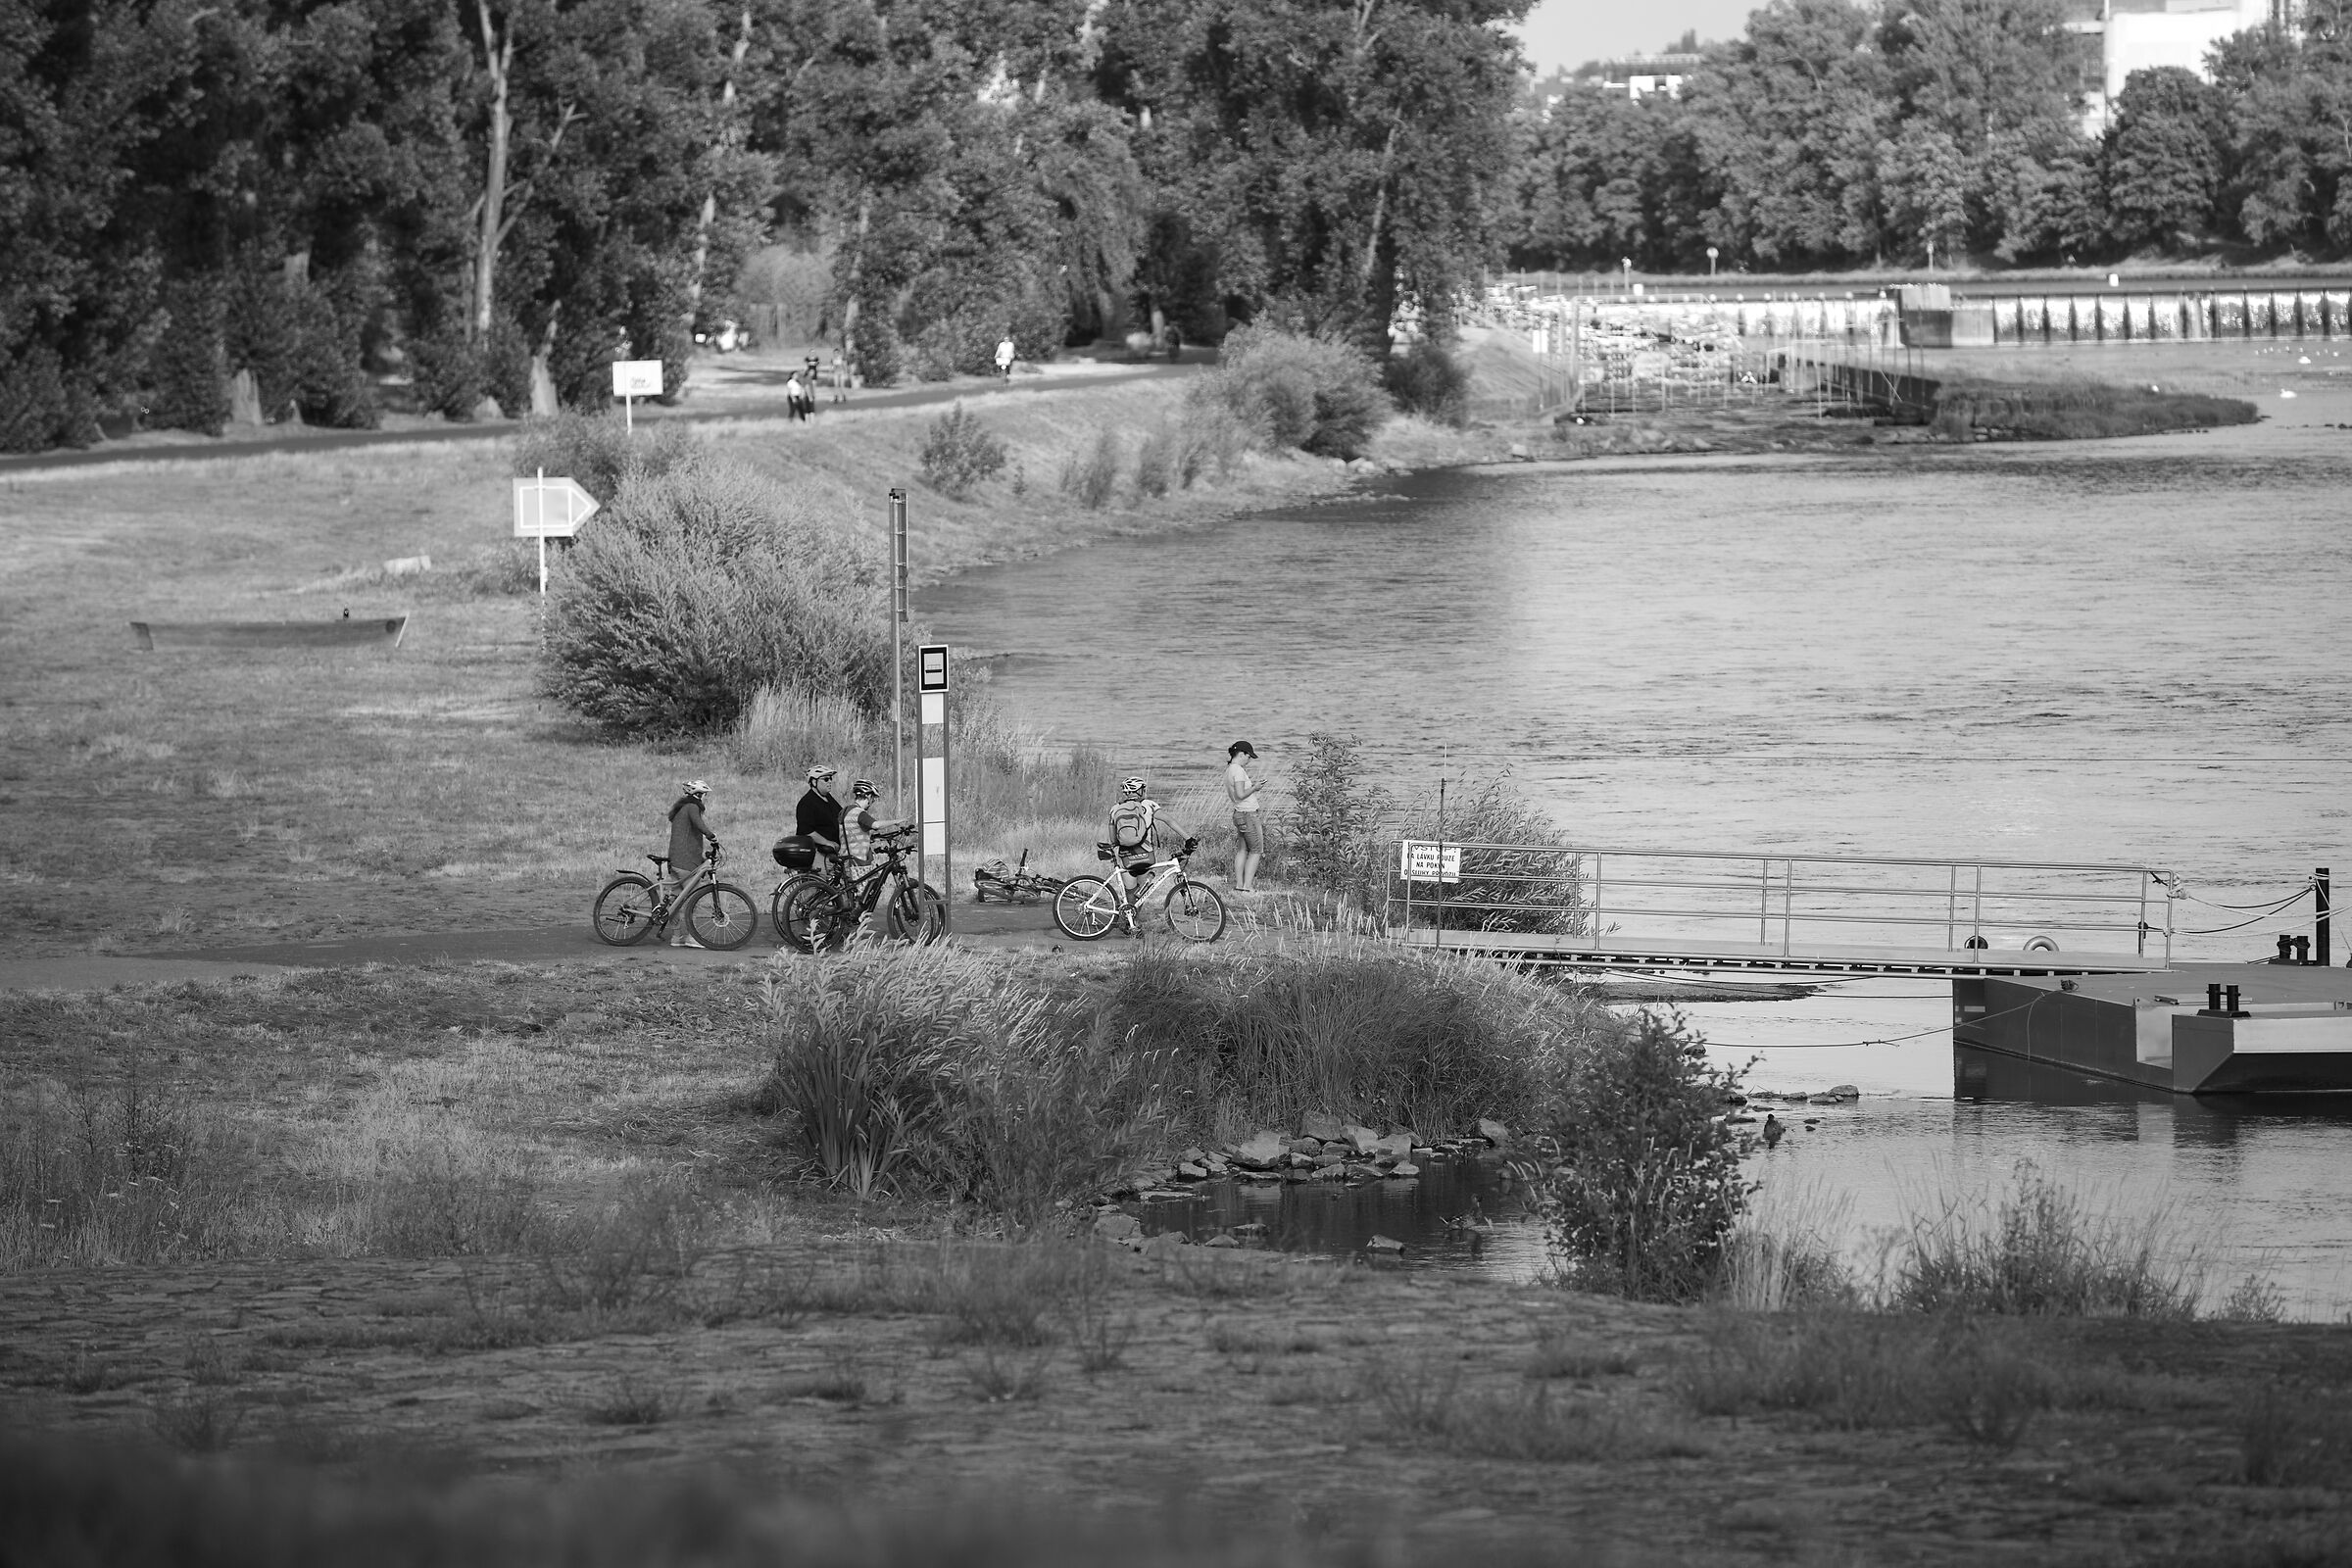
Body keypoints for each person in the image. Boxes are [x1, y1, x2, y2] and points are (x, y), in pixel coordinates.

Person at [1106, 776, 1194, 918]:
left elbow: (1113, 839)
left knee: (1130, 894)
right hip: (1145, 854)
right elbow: (1169, 820)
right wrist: (1188, 838)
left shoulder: (1115, 808)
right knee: (1141, 893)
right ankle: (1133, 922)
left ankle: (1130, 922)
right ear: (1140, 791)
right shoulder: (1149, 805)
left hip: (1125, 856)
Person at [664, 780, 717, 948]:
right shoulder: (692, 808)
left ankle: (676, 937)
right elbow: (699, 824)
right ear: (698, 795)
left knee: (676, 900)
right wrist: (712, 836)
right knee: (692, 900)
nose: (704, 799)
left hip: (675, 860)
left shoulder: (680, 808)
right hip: (686, 861)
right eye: (704, 795)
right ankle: (690, 937)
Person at [1224, 740, 1264, 894]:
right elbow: (1240, 794)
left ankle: (1240, 885)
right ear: (1241, 754)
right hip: (1248, 814)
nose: (1249, 761)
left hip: (1239, 813)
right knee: (1256, 850)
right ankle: (1247, 887)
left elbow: (1236, 794)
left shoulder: (1229, 770)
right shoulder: (1239, 770)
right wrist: (1255, 787)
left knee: (1242, 850)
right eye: (1249, 757)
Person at [795, 765, 844, 870]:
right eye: (826, 779)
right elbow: (806, 831)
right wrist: (827, 842)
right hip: (818, 855)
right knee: (817, 885)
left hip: (833, 854)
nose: (829, 782)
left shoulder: (828, 798)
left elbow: (842, 815)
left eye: (831, 779)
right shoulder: (807, 803)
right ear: (814, 782)